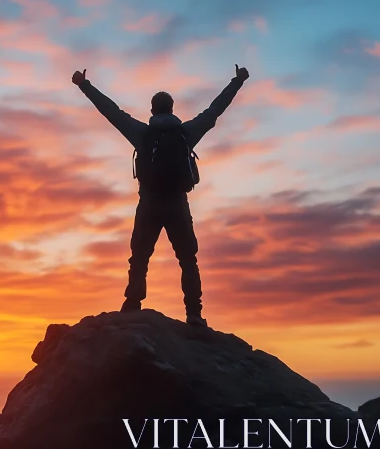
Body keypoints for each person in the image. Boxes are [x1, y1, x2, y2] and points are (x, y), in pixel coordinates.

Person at [72, 64, 250, 327]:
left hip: (150, 203)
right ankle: (194, 314)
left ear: (152, 110)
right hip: (178, 203)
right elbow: (215, 110)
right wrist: (237, 82)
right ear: (172, 108)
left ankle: (133, 303)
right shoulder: (187, 133)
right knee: (188, 259)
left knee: (140, 257)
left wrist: (84, 85)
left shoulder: (142, 133)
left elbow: (111, 111)